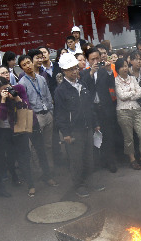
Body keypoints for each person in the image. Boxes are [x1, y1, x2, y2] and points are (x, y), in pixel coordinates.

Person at [54, 53, 104, 198]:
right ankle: (79, 185)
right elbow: (60, 114)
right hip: (74, 131)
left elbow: (89, 106)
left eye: (75, 68)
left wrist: (95, 123)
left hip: (87, 127)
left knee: (89, 157)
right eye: (70, 69)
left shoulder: (82, 84)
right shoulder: (60, 90)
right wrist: (66, 133)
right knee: (76, 160)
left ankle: (90, 181)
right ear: (64, 71)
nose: (74, 71)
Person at [17, 55, 57, 187]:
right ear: (21, 68)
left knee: (48, 144)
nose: (28, 66)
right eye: (24, 65)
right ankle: (40, 172)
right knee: (36, 147)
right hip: (35, 116)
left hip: (47, 114)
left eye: (28, 62)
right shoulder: (22, 83)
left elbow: (47, 95)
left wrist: (51, 111)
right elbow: (24, 104)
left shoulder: (41, 78)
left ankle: (50, 171)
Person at [0, 77, 37, 197]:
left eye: (7, 87)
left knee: (24, 157)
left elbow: (26, 107)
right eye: (2, 90)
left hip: (20, 128)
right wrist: (3, 100)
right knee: (10, 158)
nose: (6, 91)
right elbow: (2, 116)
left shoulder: (18, 89)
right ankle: (14, 177)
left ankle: (31, 184)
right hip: (5, 132)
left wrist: (16, 97)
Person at [81, 47, 118, 173]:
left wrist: (109, 71)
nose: (96, 61)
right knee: (94, 136)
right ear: (88, 60)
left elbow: (111, 84)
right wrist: (91, 73)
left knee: (109, 135)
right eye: (93, 59)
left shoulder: (103, 71)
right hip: (92, 109)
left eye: (97, 58)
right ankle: (97, 162)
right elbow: (84, 86)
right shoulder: (84, 73)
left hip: (105, 107)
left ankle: (110, 161)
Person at [114, 58, 141, 170]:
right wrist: (132, 92)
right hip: (123, 111)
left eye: (126, 65)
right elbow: (121, 96)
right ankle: (132, 159)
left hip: (136, 109)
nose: (125, 68)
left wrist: (130, 94)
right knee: (128, 137)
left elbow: (140, 92)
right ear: (117, 69)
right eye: (122, 66)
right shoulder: (116, 81)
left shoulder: (132, 79)